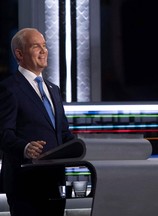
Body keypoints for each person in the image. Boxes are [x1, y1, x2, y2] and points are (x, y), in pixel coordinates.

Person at [0, 28, 75, 216]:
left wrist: (83, 146)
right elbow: (3, 133)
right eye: (36, 46)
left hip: (55, 183)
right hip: (26, 185)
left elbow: (63, 133)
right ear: (19, 53)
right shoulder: (9, 89)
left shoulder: (54, 89)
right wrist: (25, 147)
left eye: (44, 46)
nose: (44, 51)